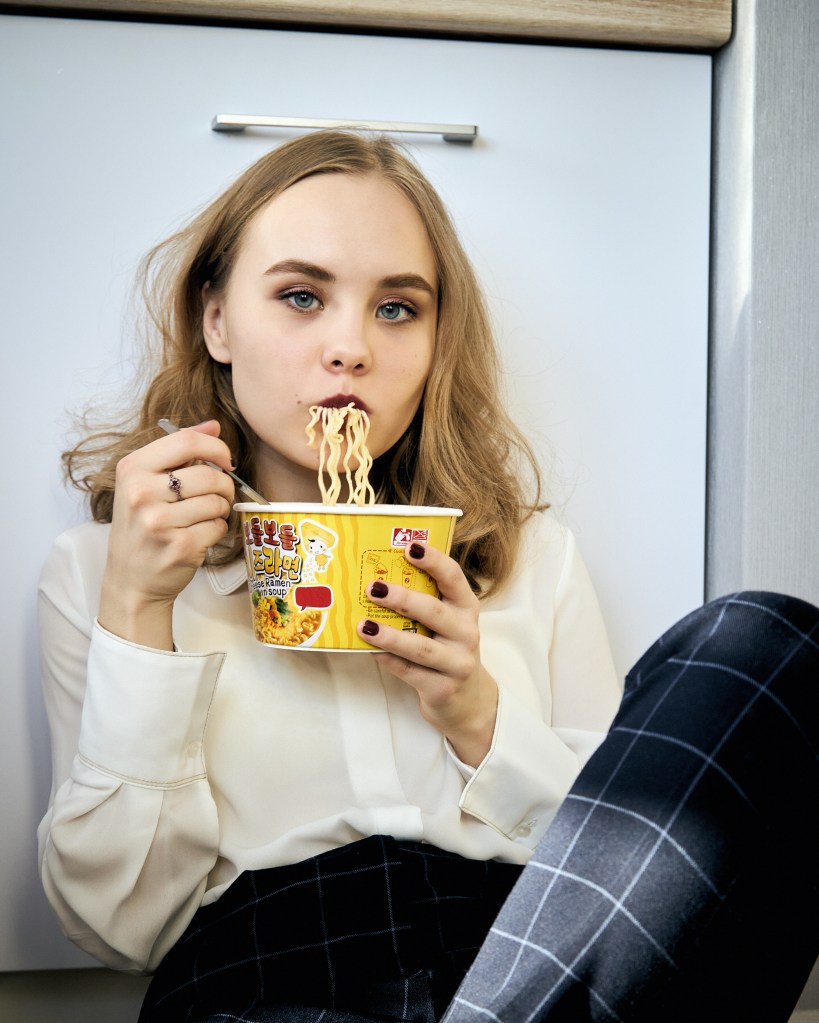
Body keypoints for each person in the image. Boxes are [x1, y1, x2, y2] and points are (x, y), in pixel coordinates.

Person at [36, 130, 817, 1023]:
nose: (350, 348)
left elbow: (632, 874)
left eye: (397, 309)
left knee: (765, 646)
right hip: (261, 987)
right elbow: (121, 926)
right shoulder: (104, 572)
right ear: (215, 318)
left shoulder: (535, 561)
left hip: (527, 976)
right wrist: (140, 611)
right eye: (300, 296)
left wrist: (477, 719)